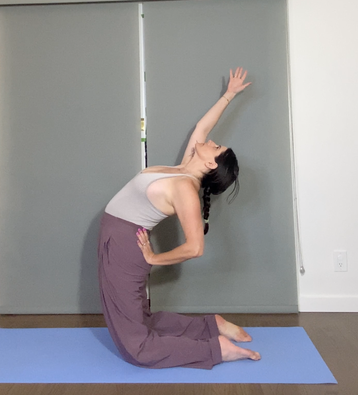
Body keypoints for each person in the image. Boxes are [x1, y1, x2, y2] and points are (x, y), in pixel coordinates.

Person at [97, 67, 260, 369]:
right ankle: (212, 326)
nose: (211, 141)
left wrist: (154, 258)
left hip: (124, 246)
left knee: (137, 349)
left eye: (216, 145)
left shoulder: (186, 188)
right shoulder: (186, 168)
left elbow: (195, 247)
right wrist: (229, 95)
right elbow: (202, 126)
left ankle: (217, 349)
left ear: (210, 162)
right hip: (116, 238)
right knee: (141, 320)